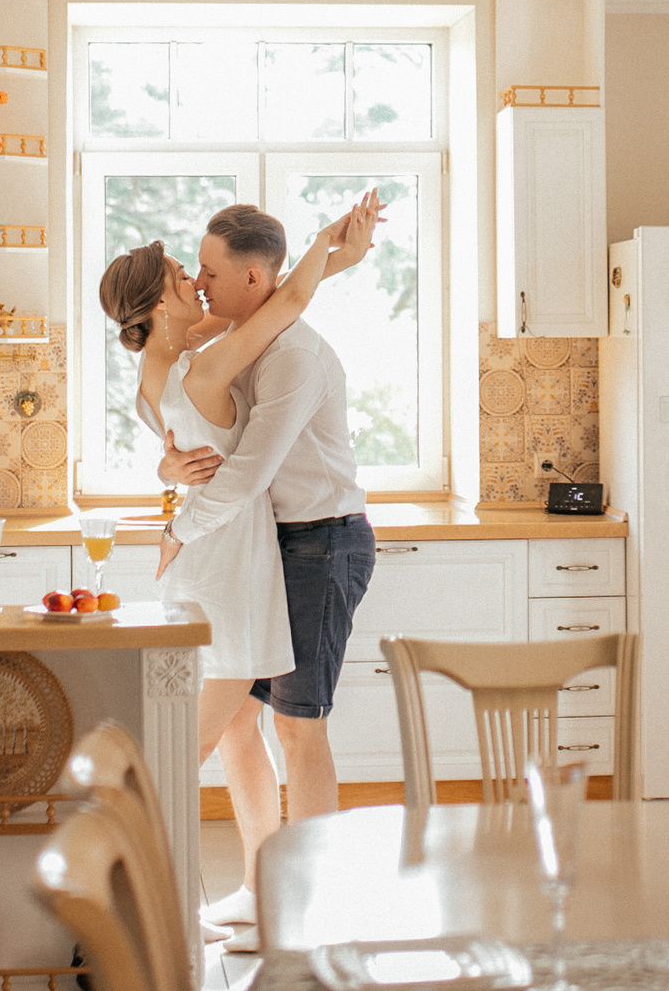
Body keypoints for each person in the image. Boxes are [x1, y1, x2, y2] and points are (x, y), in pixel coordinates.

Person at [94, 193, 380, 921]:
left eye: (208, 271)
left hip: (301, 542)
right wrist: (332, 251)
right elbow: (281, 300)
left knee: (272, 727)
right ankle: (225, 894)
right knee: (214, 734)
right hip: (244, 557)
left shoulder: (232, 359)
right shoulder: (209, 350)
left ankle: (294, 900)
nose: (199, 280)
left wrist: (176, 518)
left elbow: (239, 465)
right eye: (187, 273)